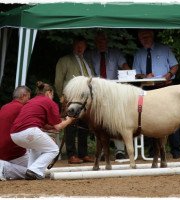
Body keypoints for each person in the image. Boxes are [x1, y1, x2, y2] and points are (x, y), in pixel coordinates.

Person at [9, 81, 74, 180]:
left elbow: (45, 125)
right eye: (52, 94)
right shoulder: (49, 102)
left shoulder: (31, 101)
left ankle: (30, 171)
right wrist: (70, 120)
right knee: (54, 149)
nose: (52, 97)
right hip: (28, 132)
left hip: (14, 135)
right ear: (49, 93)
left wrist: (55, 126)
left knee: (36, 148)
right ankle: (34, 170)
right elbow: (58, 126)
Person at [133, 29, 180, 159]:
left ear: (152, 36)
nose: (145, 39)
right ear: (139, 39)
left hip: (166, 88)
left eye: (147, 36)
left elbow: (175, 65)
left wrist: (169, 74)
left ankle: (176, 151)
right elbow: (136, 74)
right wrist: (145, 76)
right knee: (150, 120)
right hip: (148, 90)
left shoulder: (164, 49)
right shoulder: (138, 54)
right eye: (142, 37)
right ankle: (153, 152)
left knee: (172, 118)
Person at [87, 30, 130, 160]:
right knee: (99, 121)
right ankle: (101, 151)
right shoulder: (90, 55)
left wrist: (129, 73)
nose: (101, 43)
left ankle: (120, 151)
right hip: (97, 92)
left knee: (116, 120)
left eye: (104, 41)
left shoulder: (116, 53)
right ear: (95, 43)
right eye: (99, 41)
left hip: (114, 92)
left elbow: (125, 67)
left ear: (107, 42)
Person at [55, 36, 95, 164]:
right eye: (77, 45)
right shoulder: (64, 60)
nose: (79, 47)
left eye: (82, 45)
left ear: (85, 47)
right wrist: (61, 96)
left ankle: (83, 154)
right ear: (73, 45)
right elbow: (58, 80)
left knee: (84, 126)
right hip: (71, 98)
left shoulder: (88, 61)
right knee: (70, 126)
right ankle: (71, 154)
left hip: (85, 100)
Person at [0, 86, 31, 181]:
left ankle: (4, 166)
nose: (29, 101)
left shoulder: (4, 107)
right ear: (23, 96)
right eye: (28, 98)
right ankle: (4, 168)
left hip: (3, 149)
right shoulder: (22, 108)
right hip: (14, 151)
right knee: (36, 171)